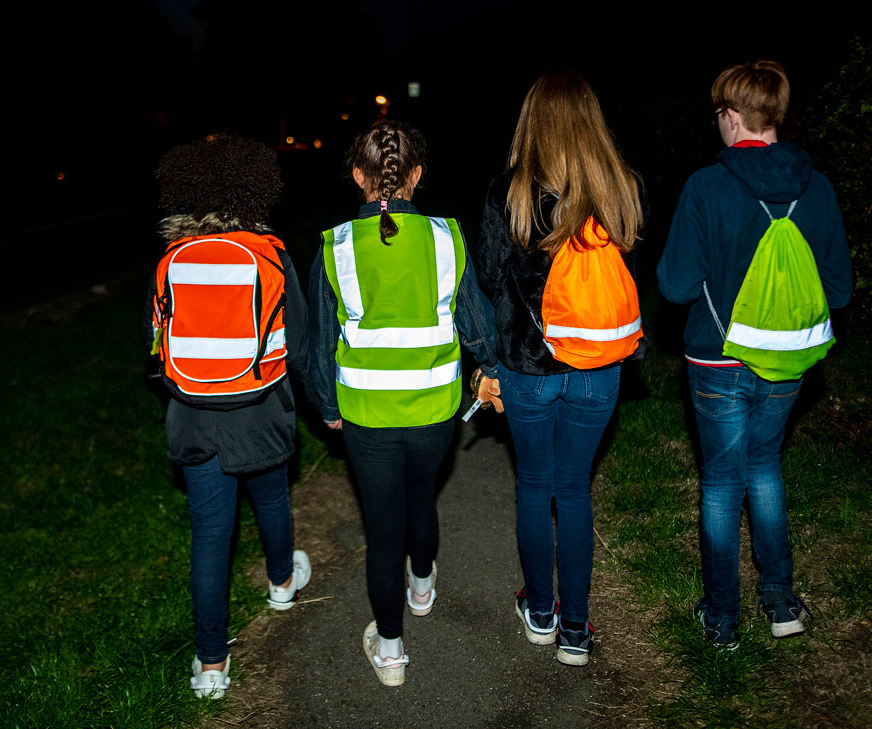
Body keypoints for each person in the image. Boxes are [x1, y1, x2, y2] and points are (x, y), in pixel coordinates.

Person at [657, 60, 852, 648]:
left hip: (718, 357)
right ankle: (782, 604)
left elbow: (676, 285)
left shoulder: (706, 185)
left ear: (734, 116)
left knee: (721, 483)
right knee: (764, 467)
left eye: (720, 113)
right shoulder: (816, 186)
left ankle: (722, 620)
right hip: (789, 359)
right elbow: (839, 289)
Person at [309, 119, 501, 686]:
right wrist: (492, 368)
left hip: (365, 412)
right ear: (417, 175)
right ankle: (422, 585)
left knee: (383, 523)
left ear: (356, 176)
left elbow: (320, 341)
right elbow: (476, 322)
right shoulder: (447, 236)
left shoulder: (336, 244)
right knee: (423, 495)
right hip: (435, 408)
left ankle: (390, 651)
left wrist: (326, 403)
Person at [474, 70, 646, 666]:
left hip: (528, 367)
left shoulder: (508, 193)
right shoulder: (618, 188)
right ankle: (576, 629)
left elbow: (491, 280)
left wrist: (489, 359)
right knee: (574, 490)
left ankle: (540, 611)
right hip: (599, 362)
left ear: (531, 123)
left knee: (533, 484)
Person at [141, 133, 313, 698]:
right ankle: (283, 583)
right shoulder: (269, 254)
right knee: (271, 498)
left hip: (192, 417)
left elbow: (153, 341)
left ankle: (211, 666)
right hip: (261, 410)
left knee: (211, 535)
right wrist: (317, 402)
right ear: (255, 189)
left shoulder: (171, 259)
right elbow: (302, 340)